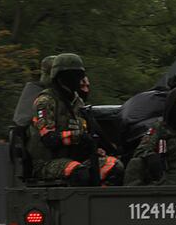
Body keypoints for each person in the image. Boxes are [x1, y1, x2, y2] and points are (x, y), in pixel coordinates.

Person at [27, 53, 124, 185]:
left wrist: (95, 148)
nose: (76, 79)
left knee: (115, 166)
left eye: (78, 75)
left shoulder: (77, 103)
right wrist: (79, 137)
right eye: (71, 75)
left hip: (75, 158)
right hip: (47, 163)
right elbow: (49, 139)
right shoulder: (46, 101)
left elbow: (86, 129)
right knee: (80, 173)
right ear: (59, 77)